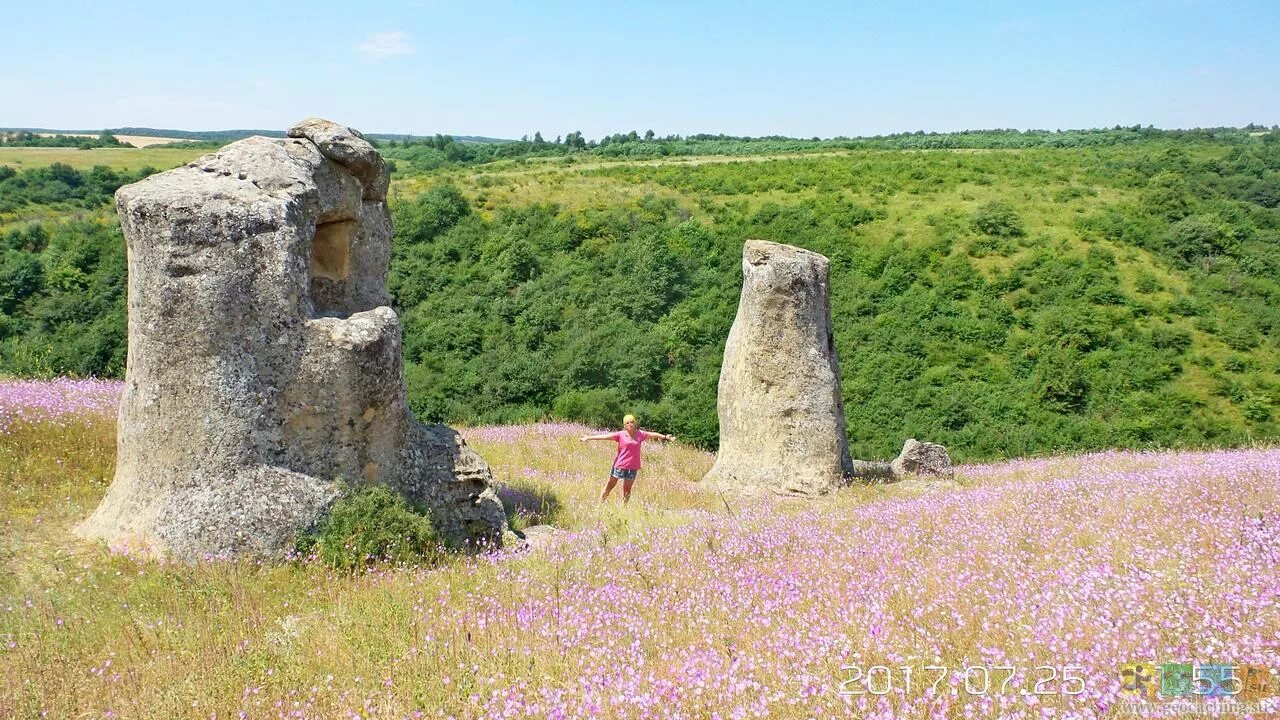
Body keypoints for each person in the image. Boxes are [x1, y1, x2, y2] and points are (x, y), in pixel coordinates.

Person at [580, 414, 675, 504]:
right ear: (624, 425)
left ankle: (624, 509)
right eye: (627, 423)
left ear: (635, 423)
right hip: (620, 465)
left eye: (632, 422)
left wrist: (666, 437)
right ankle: (599, 505)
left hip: (633, 467)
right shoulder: (620, 434)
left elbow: (653, 434)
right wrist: (589, 437)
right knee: (610, 485)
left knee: (627, 490)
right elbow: (604, 436)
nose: (630, 424)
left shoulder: (640, 434)